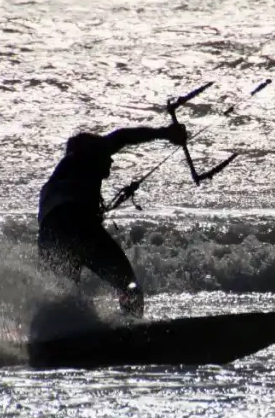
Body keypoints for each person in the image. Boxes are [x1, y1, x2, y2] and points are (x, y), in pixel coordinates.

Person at [37, 123, 187, 318]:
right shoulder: (86, 154)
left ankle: (65, 334)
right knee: (129, 286)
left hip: (49, 239)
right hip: (77, 226)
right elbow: (122, 136)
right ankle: (131, 332)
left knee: (67, 298)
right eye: (107, 155)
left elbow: (61, 216)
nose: (111, 160)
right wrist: (164, 133)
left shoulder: (54, 183)